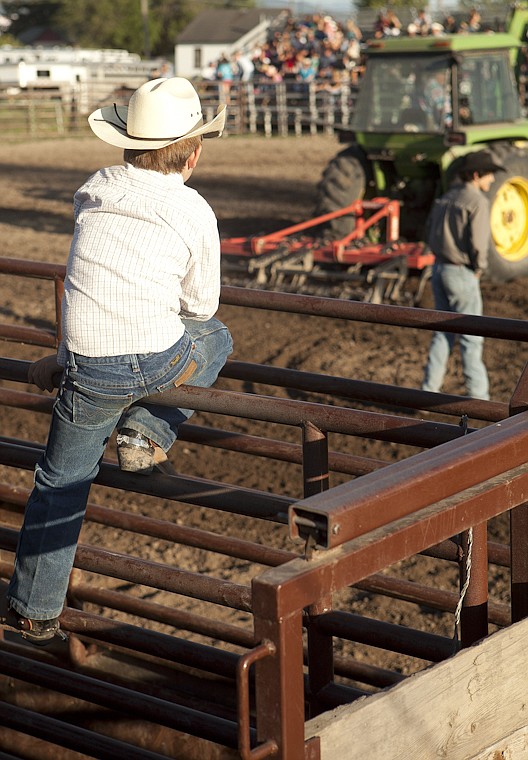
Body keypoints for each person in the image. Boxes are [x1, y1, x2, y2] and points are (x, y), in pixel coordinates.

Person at [4, 77, 233, 643]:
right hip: (153, 361)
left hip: (85, 364)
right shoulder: (193, 209)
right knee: (215, 338)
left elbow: (86, 288)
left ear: (126, 145)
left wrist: (61, 359)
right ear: (195, 151)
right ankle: (147, 433)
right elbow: (202, 305)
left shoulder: (94, 192)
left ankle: (33, 610)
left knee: (58, 481)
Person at [421, 150, 505, 400]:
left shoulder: (447, 198)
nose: (491, 181)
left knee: (442, 334)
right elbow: (479, 244)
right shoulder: (477, 202)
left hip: (439, 270)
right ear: (476, 175)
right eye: (489, 175)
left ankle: (427, 393)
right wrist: (479, 268)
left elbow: (429, 233)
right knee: (471, 338)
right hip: (461, 273)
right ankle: (480, 399)